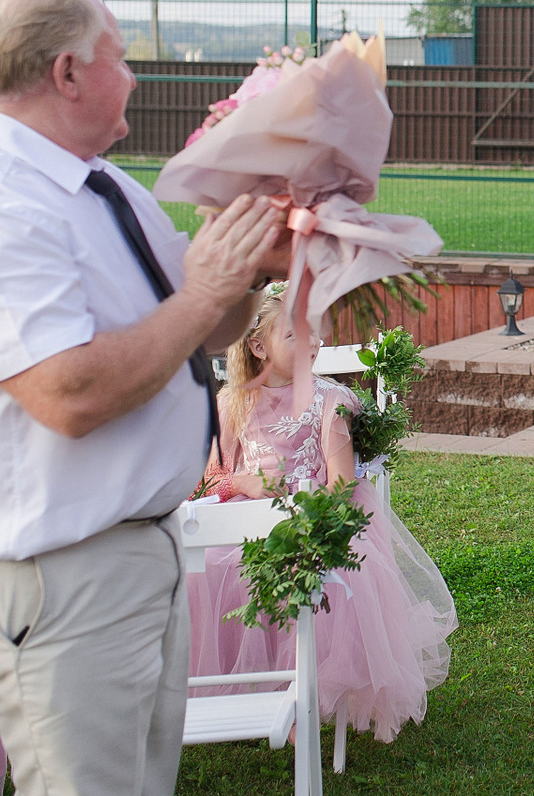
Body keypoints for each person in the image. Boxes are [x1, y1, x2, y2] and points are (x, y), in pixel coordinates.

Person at [0, 0, 286, 796]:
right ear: (67, 72)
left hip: (129, 555)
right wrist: (205, 291)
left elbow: (201, 330)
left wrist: (251, 263)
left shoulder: (100, 187)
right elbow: (67, 394)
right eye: (119, 55)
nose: (134, 76)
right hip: (57, 575)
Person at [185, 287, 456, 738]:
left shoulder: (329, 400)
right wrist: (245, 483)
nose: (312, 342)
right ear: (258, 346)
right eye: (295, 334)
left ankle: (301, 696)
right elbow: (211, 478)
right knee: (212, 565)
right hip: (250, 517)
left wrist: (305, 521)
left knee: (317, 571)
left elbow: (341, 482)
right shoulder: (233, 402)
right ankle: (243, 690)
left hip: (318, 515)